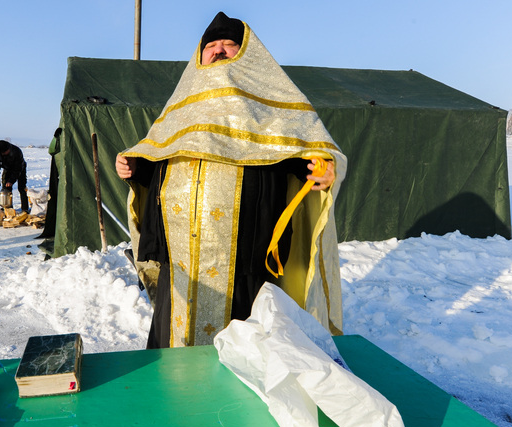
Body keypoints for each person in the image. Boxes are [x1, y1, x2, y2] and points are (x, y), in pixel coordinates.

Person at [115, 12, 347, 349]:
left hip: (245, 259)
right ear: (200, 56)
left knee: (243, 351)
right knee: (172, 347)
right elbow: (162, 158)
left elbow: (297, 152)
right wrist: (137, 168)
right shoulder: (181, 106)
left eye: (230, 45)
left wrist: (322, 170)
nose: (220, 51)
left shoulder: (270, 107)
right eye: (212, 46)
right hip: (180, 262)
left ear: (247, 56)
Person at [0, 140, 29, 212]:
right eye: (5, 152)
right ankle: (8, 207)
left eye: (8, 150)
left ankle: (25, 208)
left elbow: (18, 169)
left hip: (20, 168)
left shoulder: (17, 151)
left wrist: (11, 180)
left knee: (22, 187)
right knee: (6, 187)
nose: (7, 152)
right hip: (7, 168)